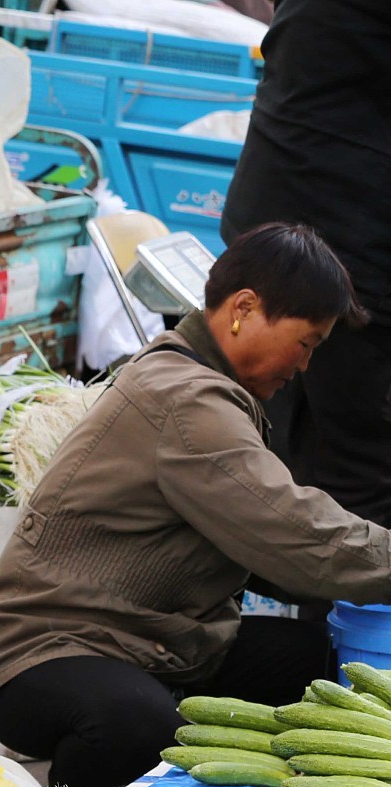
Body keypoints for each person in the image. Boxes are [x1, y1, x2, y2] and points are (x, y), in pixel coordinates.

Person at [0, 223, 391, 787]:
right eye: (306, 342)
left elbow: (269, 545)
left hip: (156, 638)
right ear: (245, 309)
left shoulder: (201, 382)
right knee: (138, 724)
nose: (304, 365)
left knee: (316, 662)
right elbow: (295, 531)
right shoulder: (187, 401)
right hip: (46, 650)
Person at [221, 0, 391, 526]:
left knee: (279, 435)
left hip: (281, 209)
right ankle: (349, 606)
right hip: (344, 242)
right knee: (356, 462)